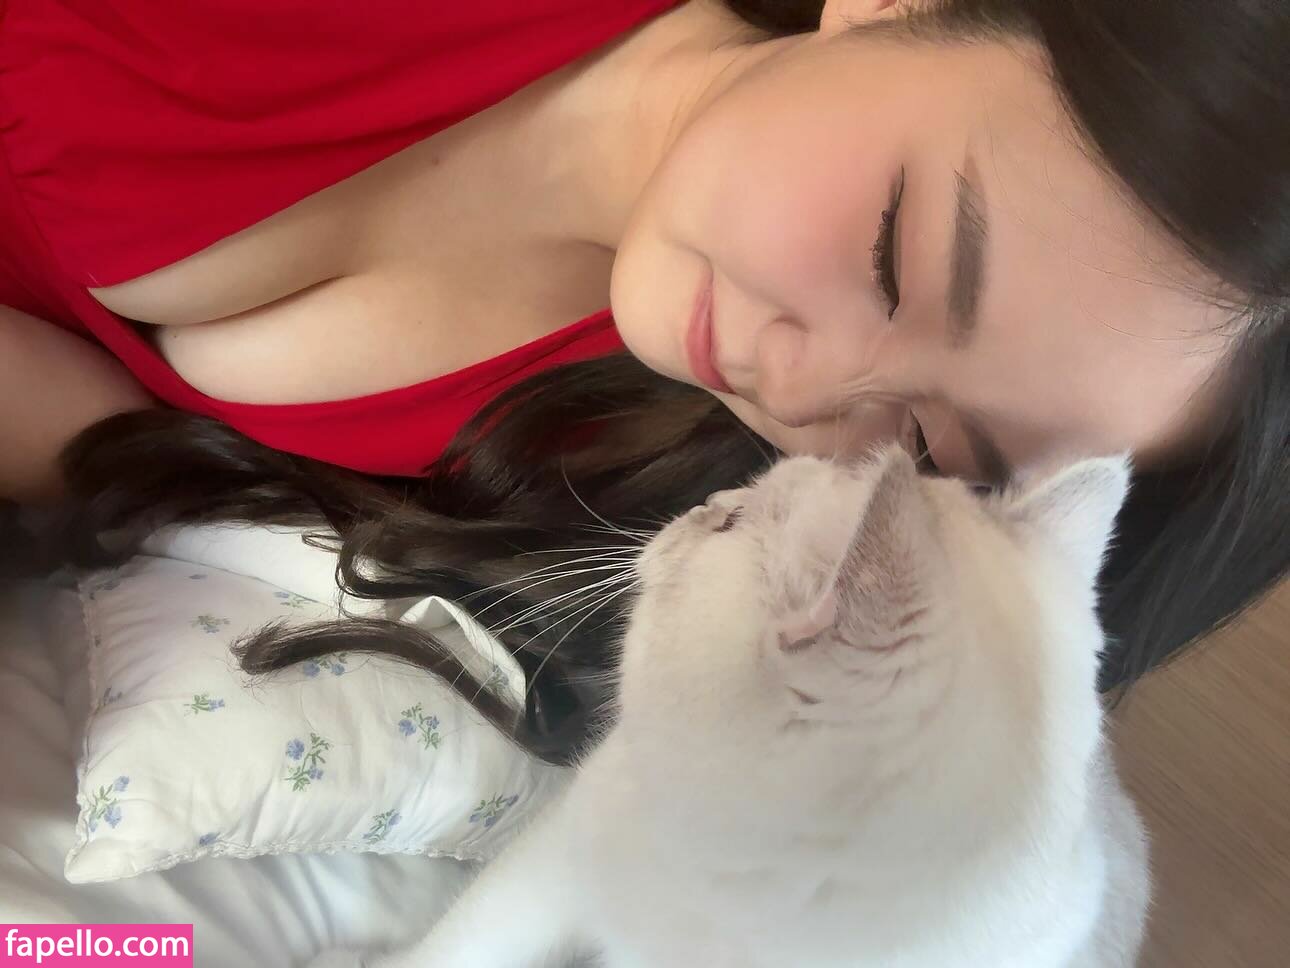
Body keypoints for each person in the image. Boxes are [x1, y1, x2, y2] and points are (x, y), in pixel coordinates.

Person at [2, 0, 1286, 759]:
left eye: (938, 446)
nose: (811, 394)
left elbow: (139, 453)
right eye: (896, 256)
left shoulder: (607, 483)